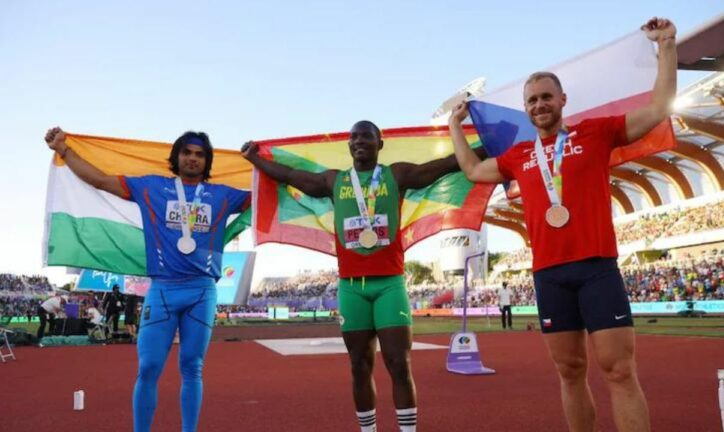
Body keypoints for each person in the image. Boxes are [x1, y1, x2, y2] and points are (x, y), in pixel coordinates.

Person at [449, 17, 677, 432]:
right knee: (569, 371)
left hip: (596, 267)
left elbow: (658, 108)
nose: (539, 105)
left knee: (619, 370)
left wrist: (666, 46)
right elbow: (472, 170)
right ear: (526, 108)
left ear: (562, 100)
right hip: (549, 274)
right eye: (532, 100)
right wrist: (454, 125)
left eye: (546, 97)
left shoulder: (596, 133)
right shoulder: (518, 156)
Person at [242, 120, 482, 432]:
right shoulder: (335, 181)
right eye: (354, 137)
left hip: (389, 284)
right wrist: (255, 158)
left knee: (399, 364)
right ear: (348, 146)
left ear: (379, 144)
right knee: (359, 365)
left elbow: (445, 165)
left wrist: (487, 146)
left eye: (366, 136)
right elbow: (290, 176)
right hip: (351, 288)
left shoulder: (396, 175)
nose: (359, 141)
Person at [45, 127, 250, 432]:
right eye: (187, 152)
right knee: (149, 367)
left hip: (202, 291)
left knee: (192, 367)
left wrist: (268, 160)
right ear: (176, 157)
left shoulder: (224, 195)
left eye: (199, 154)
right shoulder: (151, 187)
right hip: (163, 290)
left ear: (207, 162)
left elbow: (268, 195)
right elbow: (100, 180)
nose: (193, 158)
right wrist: (64, 150)